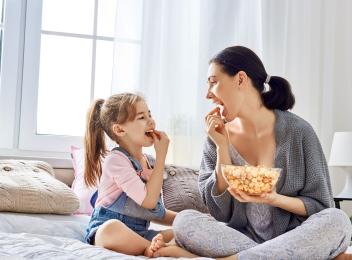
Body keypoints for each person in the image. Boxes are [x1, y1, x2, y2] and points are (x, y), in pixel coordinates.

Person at [155, 46, 352, 259]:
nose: (207, 94)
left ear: (240, 79)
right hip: (242, 238)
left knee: (337, 220)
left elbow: (321, 206)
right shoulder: (216, 137)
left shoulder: (299, 132)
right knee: (185, 220)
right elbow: (218, 212)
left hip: (296, 236)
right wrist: (222, 147)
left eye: (213, 82)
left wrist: (273, 198)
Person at [83, 93, 196, 258]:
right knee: (111, 228)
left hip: (140, 234)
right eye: (142, 117)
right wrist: (161, 156)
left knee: (187, 231)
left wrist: (188, 220)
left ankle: (157, 247)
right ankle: (155, 249)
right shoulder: (115, 161)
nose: (151, 121)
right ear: (120, 129)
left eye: (149, 114)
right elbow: (149, 201)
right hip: (108, 232)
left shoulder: (147, 163)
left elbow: (155, 212)